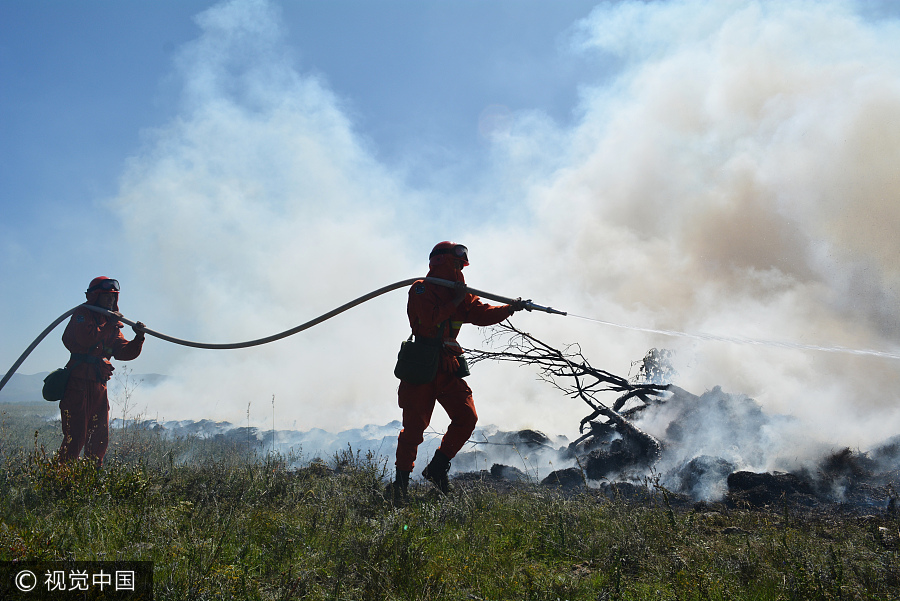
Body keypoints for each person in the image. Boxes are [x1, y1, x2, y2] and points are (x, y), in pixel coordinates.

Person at [389, 242, 526, 499]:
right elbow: (430, 319)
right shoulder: (421, 288)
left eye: (461, 266)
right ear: (441, 263)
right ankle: (400, 486)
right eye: (456, 264)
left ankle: (437, 468)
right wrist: (455, 300)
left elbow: (482, 314)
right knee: (414, 429)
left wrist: (510, 308)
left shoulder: (461, 294)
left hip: (448, 367)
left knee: (466, 417)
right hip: (421, 367)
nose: (459, 270)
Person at [58, 277, 146, 466]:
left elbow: (123, 352)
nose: (110, 300)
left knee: (99, 435)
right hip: (77, 382)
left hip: (98, 384)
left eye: (113, 297)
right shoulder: (83, 314)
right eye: (106, 296)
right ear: (95, 296)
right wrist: (110, 324)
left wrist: (138, 338)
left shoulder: (111, 323)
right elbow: (86, 339)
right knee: (76, 435)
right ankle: (63, 478)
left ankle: (91, 476)